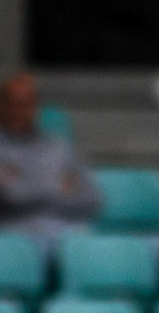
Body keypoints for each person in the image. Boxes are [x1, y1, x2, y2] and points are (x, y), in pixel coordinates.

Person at [0, 70, 100, 245]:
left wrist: (25, 186)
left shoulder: (59, 147)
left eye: (26, 104)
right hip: (15, 236)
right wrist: (58, 187)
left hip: (66, 232)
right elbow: (10, 200)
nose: (18, 111)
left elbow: (91, 199)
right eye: (13, 104)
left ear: (35, 107)